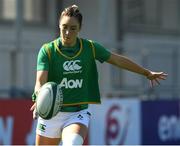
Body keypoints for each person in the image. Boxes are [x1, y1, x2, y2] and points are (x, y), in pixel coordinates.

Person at [30, 4, 167, 145]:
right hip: (50, 114)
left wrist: (146, 72)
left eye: (73, 29)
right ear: (59, 25)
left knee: (72, 143)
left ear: (80, 29)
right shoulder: (47, 51)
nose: (67, 33)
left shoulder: (90, 48)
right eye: (64, 27)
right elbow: (40, 81)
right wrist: (38, 98)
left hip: (76, 114)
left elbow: (117, 60)